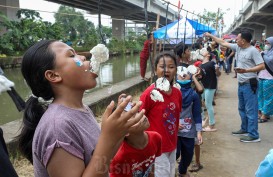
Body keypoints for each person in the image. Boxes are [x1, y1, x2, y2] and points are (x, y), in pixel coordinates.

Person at [17, 40, 144, 177]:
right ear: (53, 76)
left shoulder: (82, 109)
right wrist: (107, 137)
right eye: (71, 56)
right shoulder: (58, 126)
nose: (83, 57)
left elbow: (101, 158)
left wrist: (120, 130)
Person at [204, 30, 265, 143]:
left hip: (249, 84)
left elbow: (262, 66)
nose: (236, 40)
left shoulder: (253, 51)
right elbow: (222, 42)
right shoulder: (238, 47)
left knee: (251, 110)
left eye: (238, 38)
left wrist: (246, 70)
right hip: (241, 84)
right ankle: (245, 128)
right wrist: (210, 35)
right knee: (242, 108)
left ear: (244, 41)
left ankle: (254, 135)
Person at [139, 51, 182, 177]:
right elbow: (138, 117)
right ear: (155, 69)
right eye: (162, 67)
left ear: (176, 70)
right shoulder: (149, 94)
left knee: (170, 173)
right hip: (156, 148)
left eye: (171, 67)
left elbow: (176, 115)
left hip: (172, 144)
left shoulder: (177, 93)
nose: (166, 70)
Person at [110, 95, 162, 176]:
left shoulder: (156, 138)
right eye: (134, 116)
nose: (142, 114)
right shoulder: (119, 158)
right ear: (125, 132)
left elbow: (152, 166)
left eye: (138, 111)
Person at [175, 70, 203, 177]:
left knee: (188, 155)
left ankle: (182, 171)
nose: (182, 75)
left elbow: (197, 114)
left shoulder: (194, 96)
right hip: (175, 132)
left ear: (190, 77)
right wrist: (174, 124)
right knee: (175, 153)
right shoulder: (172, 93)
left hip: (189, 132)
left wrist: (199, 131)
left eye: (185, 74)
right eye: (180, 73)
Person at [199, 48, 221, 132]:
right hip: (205, 86)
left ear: (208, 55)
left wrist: (217, 70)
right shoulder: (201, 65)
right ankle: (206, 120)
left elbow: (218, 74)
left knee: (208, 104)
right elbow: (201, 76)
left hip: (211, 86)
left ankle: (212, 125)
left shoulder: (212, 63)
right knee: (203, 103)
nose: (203, 51)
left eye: (205, 51)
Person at [258, 37, 273, 123]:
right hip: (261, 76)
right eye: (266, 43)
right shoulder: (265, 52)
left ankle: (264, 115)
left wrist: (263, 55)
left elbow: (270, 60)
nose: (266, 45)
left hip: (270, 77)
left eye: (268, 43)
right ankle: (262, 113)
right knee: (260, 96)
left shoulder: (266, 53)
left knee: (268, 97)